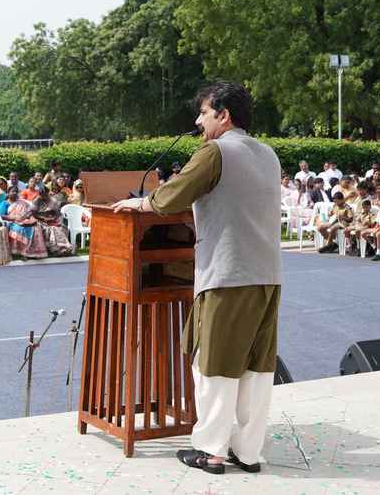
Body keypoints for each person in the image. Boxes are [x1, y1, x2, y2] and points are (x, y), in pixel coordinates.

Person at [111, 81, 281, 475]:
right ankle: (247, 452)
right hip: (268, 275)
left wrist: (141, 202)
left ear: (224, 115)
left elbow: (173, 196)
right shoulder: (269, 154)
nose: (198, 120)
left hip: (227, 275)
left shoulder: (215, 151)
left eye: (204, 113)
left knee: (214, 363)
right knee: (256, 368)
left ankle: (212, 451)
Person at [3, 189, 48, 259]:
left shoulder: (23, 202)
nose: (14, 193)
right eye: (12, 191)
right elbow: (3, 216)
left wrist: (26, 218)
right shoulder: (4, 203)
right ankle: (20, 251)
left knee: (36, 228)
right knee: (19, 228)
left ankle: (34, 252)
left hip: (25, 220)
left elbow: (29, 212)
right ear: (8, 193)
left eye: (16, 191)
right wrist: (14, 218)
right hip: (12, 221)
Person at [33, 188, 74, 256]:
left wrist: (52, 218)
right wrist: (43, 218)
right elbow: (34, 214)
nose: (44, 196)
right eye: (41, 195)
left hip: (53, 220)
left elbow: (56, 213)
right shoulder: (36, 201)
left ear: (48, 194)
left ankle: (62, 249)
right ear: (39, 194)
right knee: (48, 229)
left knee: (57, 228)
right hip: (40, 220)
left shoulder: (53, 201)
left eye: (45, 195)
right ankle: (55, 249)